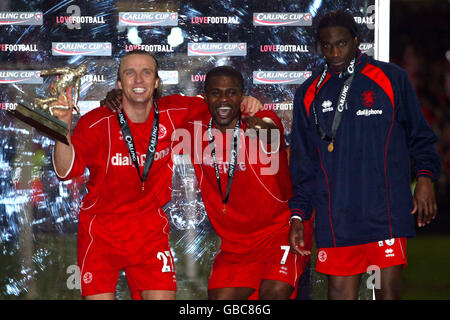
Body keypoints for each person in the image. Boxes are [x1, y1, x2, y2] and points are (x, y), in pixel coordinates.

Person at [52, 50, 262, 300]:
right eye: (130, 73)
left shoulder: (175, 111)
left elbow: (219, 102)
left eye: (146, 73)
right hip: (101, 233)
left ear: (156, 82)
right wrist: (62, 124)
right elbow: (65, 171)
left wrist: (246, 101)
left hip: (149, 232)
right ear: (119, 84)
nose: (138, 80)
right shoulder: (95, 122)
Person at [288, 10, 441, 300]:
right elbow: (304, 162)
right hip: (337, 216)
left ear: (356, 40)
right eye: (327, 45)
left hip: (385, 211)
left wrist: (424, 178)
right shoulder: (309, 92)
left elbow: (420, 135)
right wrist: (299, 214)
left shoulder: (390, 78)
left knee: (389, 294)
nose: (334, 52)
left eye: (342, 43)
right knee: (340, 295)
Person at [179, 66, 313, 299]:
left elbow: (271, 131)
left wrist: (258, 126)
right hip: (236, 245)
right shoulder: (193, 126)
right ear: (205, 96)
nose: (223, 100)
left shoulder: (261, 120)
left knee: (274, 294)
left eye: (231, 93)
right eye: (216, 93)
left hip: (280, 232)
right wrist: (118, 97)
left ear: (242, 96)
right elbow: (151, 108)